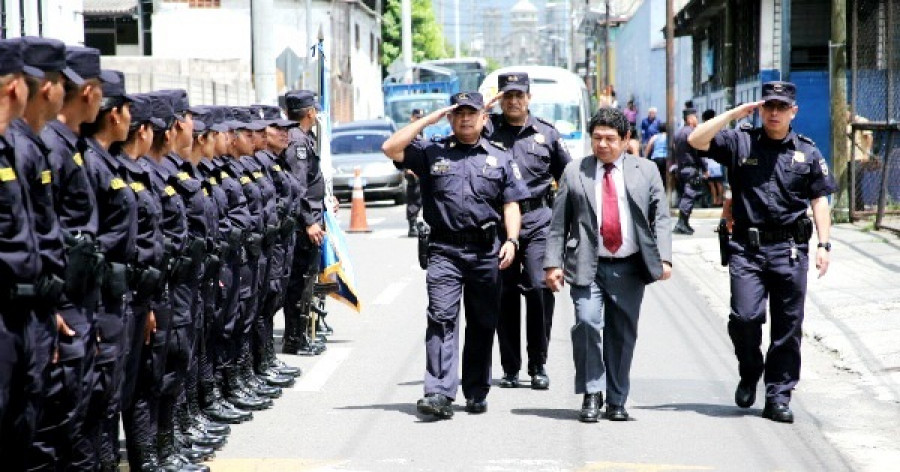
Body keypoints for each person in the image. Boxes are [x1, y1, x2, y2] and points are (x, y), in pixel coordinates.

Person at [688, 81, 837, 424]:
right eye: (768, 106)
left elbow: (819, 199)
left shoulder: (807, 152)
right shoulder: (740, 141)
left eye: (781, 107)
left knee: (788, 327)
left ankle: (778, 396)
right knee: (744, 317)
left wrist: (824, 245)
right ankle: (750, 368)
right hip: (748, 249)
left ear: (792, 112)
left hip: (790, 250)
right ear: (760, 108)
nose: (773, 113)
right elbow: (696, 140)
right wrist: (733, 114)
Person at [382, 92, 528, 419]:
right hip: (444, 250)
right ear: (450, 117)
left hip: (486, 250)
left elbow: (511, 204)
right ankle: (438, 393)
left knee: (481, 322)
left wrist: (513, 240)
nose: (465, 118)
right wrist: (428, 119)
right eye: (458, 113)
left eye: (471, 113)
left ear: (484, 118)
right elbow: (390, 148)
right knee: (441, 317)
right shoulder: (432, 151)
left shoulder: (500, 157)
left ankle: (476, 390)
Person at [544, 107, 672, 423]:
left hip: (629, 267)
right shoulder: (575, 172)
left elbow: (662, 217)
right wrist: (552, 264)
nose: (602, 145)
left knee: (621, 334)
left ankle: (616, 399)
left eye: (610, 139)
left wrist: (665, 257)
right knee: (586, 323)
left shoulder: (646, 170)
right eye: (597, 138)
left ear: (626, 139)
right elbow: (558, 224)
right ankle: (591, 392)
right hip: (587, 264)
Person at [29, 44, 110, 471]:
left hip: (81, 297)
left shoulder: (69, 145)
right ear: (89, 92)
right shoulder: (51, 147)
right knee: (58, 422)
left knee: (80, 409)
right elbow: (46, 230)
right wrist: (58, 304)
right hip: (65, 302)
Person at [483, 72, 571, 390]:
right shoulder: (487, 128)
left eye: (519, 95)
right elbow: (459, 121)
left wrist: (565, 220)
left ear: (529, 98)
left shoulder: (546, 134)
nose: (514, 101)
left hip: (538, 221)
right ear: (500, 99)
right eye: (507, 95)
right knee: (504, 294)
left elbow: (568, 178)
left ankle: (538, 364)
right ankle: (510, 367)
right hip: (499, 222)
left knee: (538, 289)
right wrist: (484, 107)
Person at [0, 38, 57, 468]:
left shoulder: (13, 147)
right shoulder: (17, 147)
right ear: (16, 88)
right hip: (9, 312)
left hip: (26, 311)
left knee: (24, 424)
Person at [282, 90, 327, 356]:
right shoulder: (297, 141)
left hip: (310, 217)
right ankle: (294, 339)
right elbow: (297, 187)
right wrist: (310, 221)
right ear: (309, 112)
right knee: (299, 282)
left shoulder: (302, 138)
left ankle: (300, 336)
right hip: (303, 223)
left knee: (305, 280)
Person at [672, 109, 707, 235]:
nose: (697, 120)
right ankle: (681, 224)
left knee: (686, 196)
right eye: (695, 117)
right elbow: (698, 153)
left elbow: (674, 151)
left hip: (681, 168)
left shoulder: (678, 133)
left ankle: (684, 223)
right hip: (691, 169)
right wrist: (705, 168)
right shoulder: (692, 133)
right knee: (689, 196)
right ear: (690, 119)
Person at [405, 108, 424, 237]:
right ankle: (412, 225)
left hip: (423, 171)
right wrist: (408, 169)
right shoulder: (408, 133)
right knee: (414, 198)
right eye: (417, 118)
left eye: (421, 118)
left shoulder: (422, 133)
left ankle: (420, 222)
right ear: (412, 118)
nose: (419, 120)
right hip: (412, 171)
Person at [644, 121, 668, 188]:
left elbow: (649, 146)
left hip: (656, 158)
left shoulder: (655, 137)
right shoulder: (669, 137)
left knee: (656, 175)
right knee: (665, 176)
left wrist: (645, 157)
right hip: (666, 159)